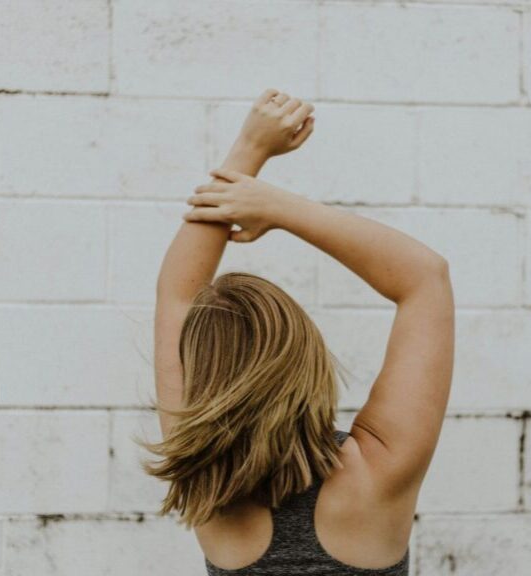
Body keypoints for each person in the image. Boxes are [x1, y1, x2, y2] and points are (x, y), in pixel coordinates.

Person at [140, 88, 455, 575]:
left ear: (201, 377)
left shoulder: (205, 480)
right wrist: (275, 206)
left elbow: (178, 295)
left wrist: (249, 151)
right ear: (304, 360)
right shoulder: (379, 472)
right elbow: (424, 279)